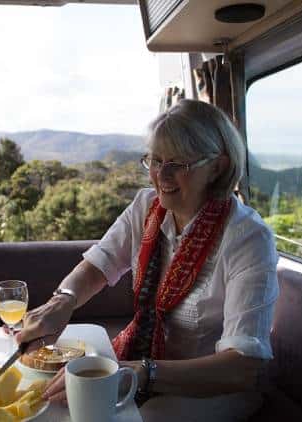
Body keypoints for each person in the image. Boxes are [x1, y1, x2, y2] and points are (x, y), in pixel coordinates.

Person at [16, 99, 278, 421]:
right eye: (155, 160)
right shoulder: (146, 206)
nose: (161, 175)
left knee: (143, 416)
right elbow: (101, 263)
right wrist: (63, 302)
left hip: (214, 386)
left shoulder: (248, 237)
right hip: (143, 365)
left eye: (177, 164)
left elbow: (243, 367)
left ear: (217, 167)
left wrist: (142, 372)